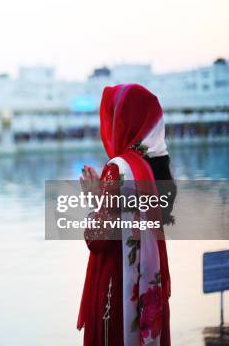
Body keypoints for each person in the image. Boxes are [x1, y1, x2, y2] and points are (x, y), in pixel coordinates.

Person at [77, 84, 176, 346]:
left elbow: (98, 238)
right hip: (144, 282)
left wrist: (92, 199)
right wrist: (103, 195)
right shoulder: (150, 165)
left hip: (117, 285)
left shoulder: (118, 168)